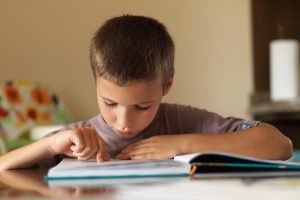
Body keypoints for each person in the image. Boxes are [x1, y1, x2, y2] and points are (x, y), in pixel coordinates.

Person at [0, 15, 293, 170]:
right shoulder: (82, 136)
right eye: (110, 103)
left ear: (167, 85)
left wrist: (183, 144)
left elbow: (279, 144)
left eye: (142, 107)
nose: (123, 121)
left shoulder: (182, 121)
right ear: (96, 82)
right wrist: (51, 145)